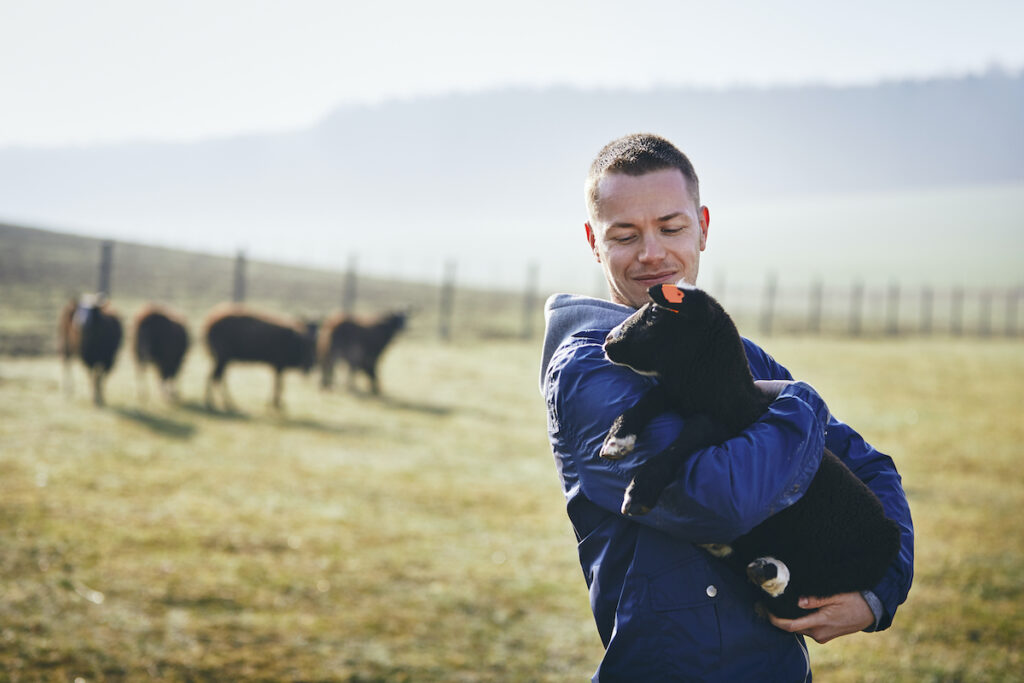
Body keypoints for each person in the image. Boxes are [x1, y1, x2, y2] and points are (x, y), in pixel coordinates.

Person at [539, 133, 914, 681]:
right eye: (625, 235)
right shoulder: (588, 372)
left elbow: (870, 467)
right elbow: (718, 501)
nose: (652, 253)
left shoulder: (735, 356)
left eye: (671, 228)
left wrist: (880, 590)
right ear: (594, 241)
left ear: (703, 228)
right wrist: (799, 399)